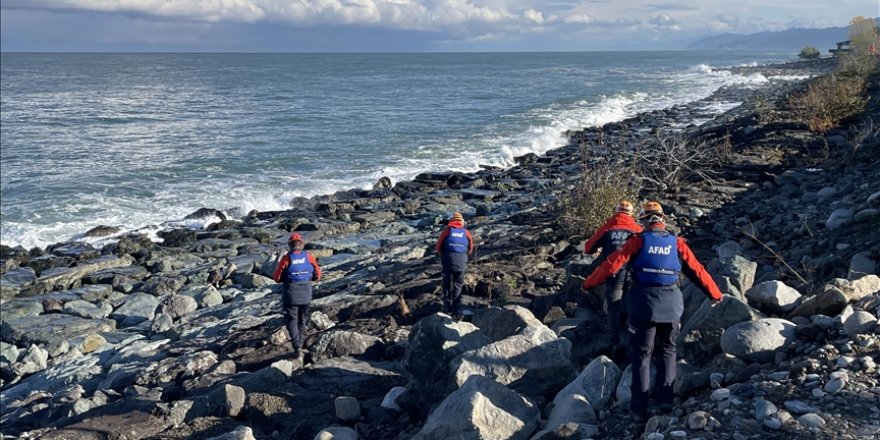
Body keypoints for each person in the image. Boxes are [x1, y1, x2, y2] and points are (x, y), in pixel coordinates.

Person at [582, 201, 722, 422]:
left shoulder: (637, 241)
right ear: (663, 220)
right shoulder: (677, 243)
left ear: (644, 221)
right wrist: (715, 294)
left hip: (644, 306)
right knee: (667, 351)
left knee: (642, 356)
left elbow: (612, 264)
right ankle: (665, 401)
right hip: (672, 306)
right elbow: (697, 270)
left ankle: (639, 409)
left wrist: (588, 284)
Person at [583, 200, 643, 358]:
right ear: (631, 214)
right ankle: (632, 338)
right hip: (633, 273)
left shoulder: (608, 227)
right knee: (632, 303)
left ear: (616, 212)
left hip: (613, 271)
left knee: (613, 307)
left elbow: (588, 248)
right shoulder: (637, 229)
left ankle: (614, 341)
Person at [273, 232, 322, 357]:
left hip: (291, 295)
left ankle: (297, 346)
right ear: (301, 244)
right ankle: (300, 341)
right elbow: (318, 275)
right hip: (306, 294)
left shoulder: (287, 258)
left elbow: (277, 278)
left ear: (290, 245)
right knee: (302, 319)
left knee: (291, 320)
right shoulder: (309, 257)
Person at [435, 212, 474, 320]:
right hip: (461, 261)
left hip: (448, 259)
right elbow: (470, 249)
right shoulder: (466, 232)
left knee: (446, 281)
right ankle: (456, 308)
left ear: (451, 221)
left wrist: (444, 253)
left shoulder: (447, 231)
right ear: (461, 221)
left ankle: (446, 305)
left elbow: (438, 247)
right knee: (458, 284)